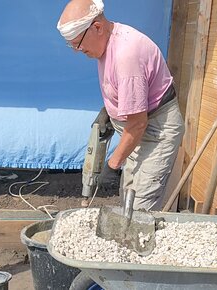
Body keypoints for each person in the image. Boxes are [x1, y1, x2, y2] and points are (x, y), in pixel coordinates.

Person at [57, 0, 184, 211]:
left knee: (140, 205)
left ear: (97, 27)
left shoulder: (127, 56)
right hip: (137, 127)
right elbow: (124, 90)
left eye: (77, 44)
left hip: (155, 131)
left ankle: (139, 241)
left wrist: (112, 165)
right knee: (128, 194)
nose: (76, 51)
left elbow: (137, 124)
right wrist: (109, 111)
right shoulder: (106, 42)